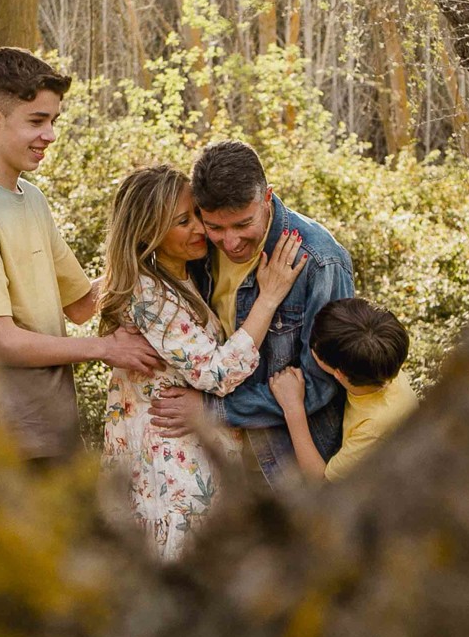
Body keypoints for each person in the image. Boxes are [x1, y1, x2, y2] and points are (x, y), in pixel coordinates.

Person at [0, 47, 161, 462]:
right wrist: (106, 347)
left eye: (53, 121)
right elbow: (0, 341)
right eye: (37, 121)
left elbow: (79, 304)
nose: (50, 135)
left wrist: (145, 250)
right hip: (5, 445)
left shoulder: (32, 199)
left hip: (56, 435)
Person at [98, 165, 309, 559]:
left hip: (192, 452)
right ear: (148, 233)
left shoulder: (180, 277)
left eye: (197, 213)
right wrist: (270, 296)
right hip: (171, 461)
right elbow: (217, 373)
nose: (201, 228)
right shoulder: (150, 295)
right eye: (183, 221)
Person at [150, 140, 355, 480]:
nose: (230, 243)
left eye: (243, 224)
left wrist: (211, 409)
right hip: (214, 456)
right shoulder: (197, 248)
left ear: (267, 198)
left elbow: (321, 385)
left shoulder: (320, 262)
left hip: (288, 460)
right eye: (215, 227)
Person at [270, 297, 417, 481]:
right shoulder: (383, 359)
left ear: (339, 374)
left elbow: (323, 482)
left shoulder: (374, 427)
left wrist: (293, 408)